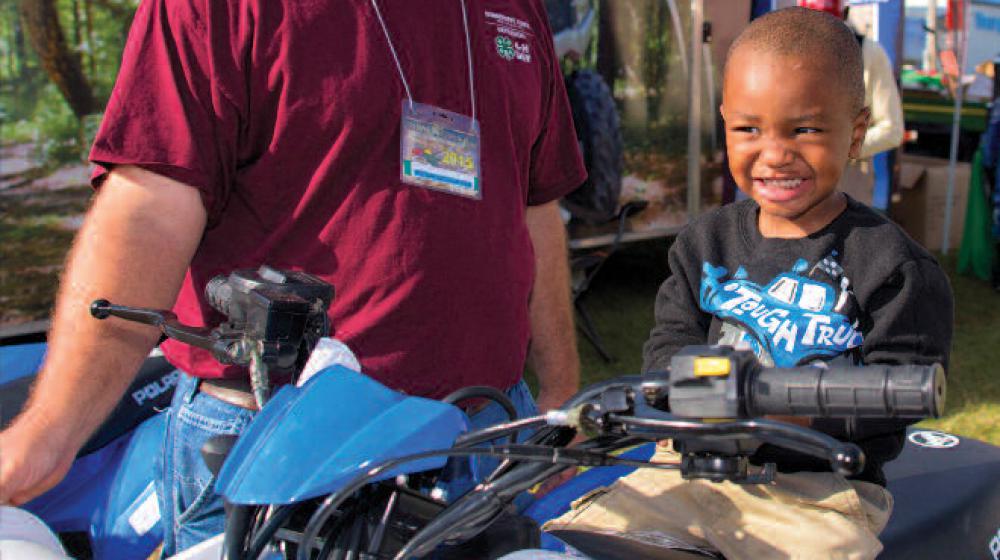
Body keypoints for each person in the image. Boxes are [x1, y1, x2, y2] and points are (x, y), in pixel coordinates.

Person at [0, 0, 586, 554]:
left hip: (482, 434)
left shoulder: (518, 9)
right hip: (274, 446)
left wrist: (561, 394)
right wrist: (53, 429)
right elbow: (149, 210)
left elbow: (534, 208)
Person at [541, 8, 952, 559]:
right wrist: (689, 399)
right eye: (749, 129)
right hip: (687, 470)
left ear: (855, 131)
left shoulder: (893, 265)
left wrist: (788, 408)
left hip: (816, 494)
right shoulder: (702, 244)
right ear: (725, 123)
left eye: (804, 129)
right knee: (577, 541)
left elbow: (899, 386)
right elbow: (668, 347)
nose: (775, 153)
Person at [800, 0, 905, 209]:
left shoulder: (869, 55)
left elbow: (892, 130)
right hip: (796, 176)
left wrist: (842, 147)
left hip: (849, 180)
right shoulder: (785, 54)